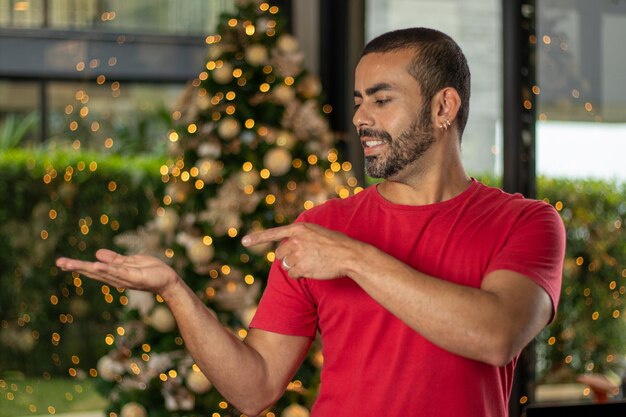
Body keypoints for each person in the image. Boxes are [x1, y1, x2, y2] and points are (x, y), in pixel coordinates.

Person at [56, 27, 565, 417]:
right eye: (359, 101)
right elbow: (254, 389)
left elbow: (496, 334)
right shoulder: (322, 226)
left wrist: (350, 256)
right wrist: (174, 291)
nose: (362, 118)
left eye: (383, 100)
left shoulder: (525, 222)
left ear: (443, 107)